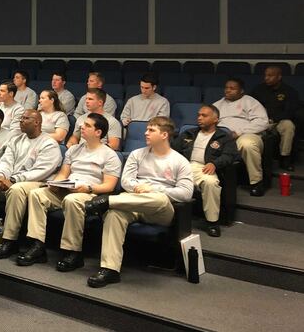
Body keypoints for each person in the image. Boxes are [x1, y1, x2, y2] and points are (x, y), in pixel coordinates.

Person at [85, 116, 193, 288]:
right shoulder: (137, 154)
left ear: (164, 134)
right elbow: (126, 181)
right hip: (133, 204)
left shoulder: (180, 161)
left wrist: (154, 189)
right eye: (147, 129)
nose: (145, 132)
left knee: (160, 198)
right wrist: (138, 188)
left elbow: (186, 193)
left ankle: (107, 201)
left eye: (151, 130)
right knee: (115, 214)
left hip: (160, 210)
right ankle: (110, 270)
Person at [19, 113, 121, 269]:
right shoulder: (74, 150)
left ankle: (73, 252)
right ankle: (37, 244)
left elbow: (109, 186)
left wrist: (88, 188)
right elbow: (63, 174)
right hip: (67, 188)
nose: (81, 127)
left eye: (87, 126)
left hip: (89, 192)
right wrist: (55, 184)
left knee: (71, 200)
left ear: (98, 132)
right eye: (83, 124)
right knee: (37, 194)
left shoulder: (110, 155)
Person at [0, 109, 62, 256]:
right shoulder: (16, 140)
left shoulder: (49, 143)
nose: (21, 121)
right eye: (21, 118)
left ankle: (9, 239)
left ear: (37, 122)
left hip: (37, 182)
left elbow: (42, 171)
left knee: (16, 189)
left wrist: (13, 179)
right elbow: (6, 161)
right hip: (12, 179)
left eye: (26, 119)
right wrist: (1, 176)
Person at [172, 105, 239, 237]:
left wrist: (215, 163)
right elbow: (173, 149)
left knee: (210, 183)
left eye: (204, 115)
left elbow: (230, 155)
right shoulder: (189, 133)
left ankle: (212, 222)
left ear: (215, 119)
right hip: (184, 166)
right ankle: (167, 217)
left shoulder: (224, 137)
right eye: (198, 115)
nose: (199, 118)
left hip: (204, 168)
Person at [213, 78, 269, 196]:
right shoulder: (217, 105)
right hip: (223, 136)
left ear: (241, 91)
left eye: (232, 88)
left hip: (246, 134)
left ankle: (256, 182)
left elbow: (263, 122)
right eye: (226, 88)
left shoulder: (250, 102)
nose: (228, 90)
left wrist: (239, 132)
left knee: (247, 144)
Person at [251, 66, 298, 171]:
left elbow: (290, 111)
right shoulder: (258, 89)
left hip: (279, 121)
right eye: (265, 75)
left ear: (279, 77)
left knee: (288, 126)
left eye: (270, 76)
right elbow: (250, 106)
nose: (266, 78)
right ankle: (256, 161)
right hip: (260, 120)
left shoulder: (289, 91)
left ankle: (285, 157)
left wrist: (273, 119)